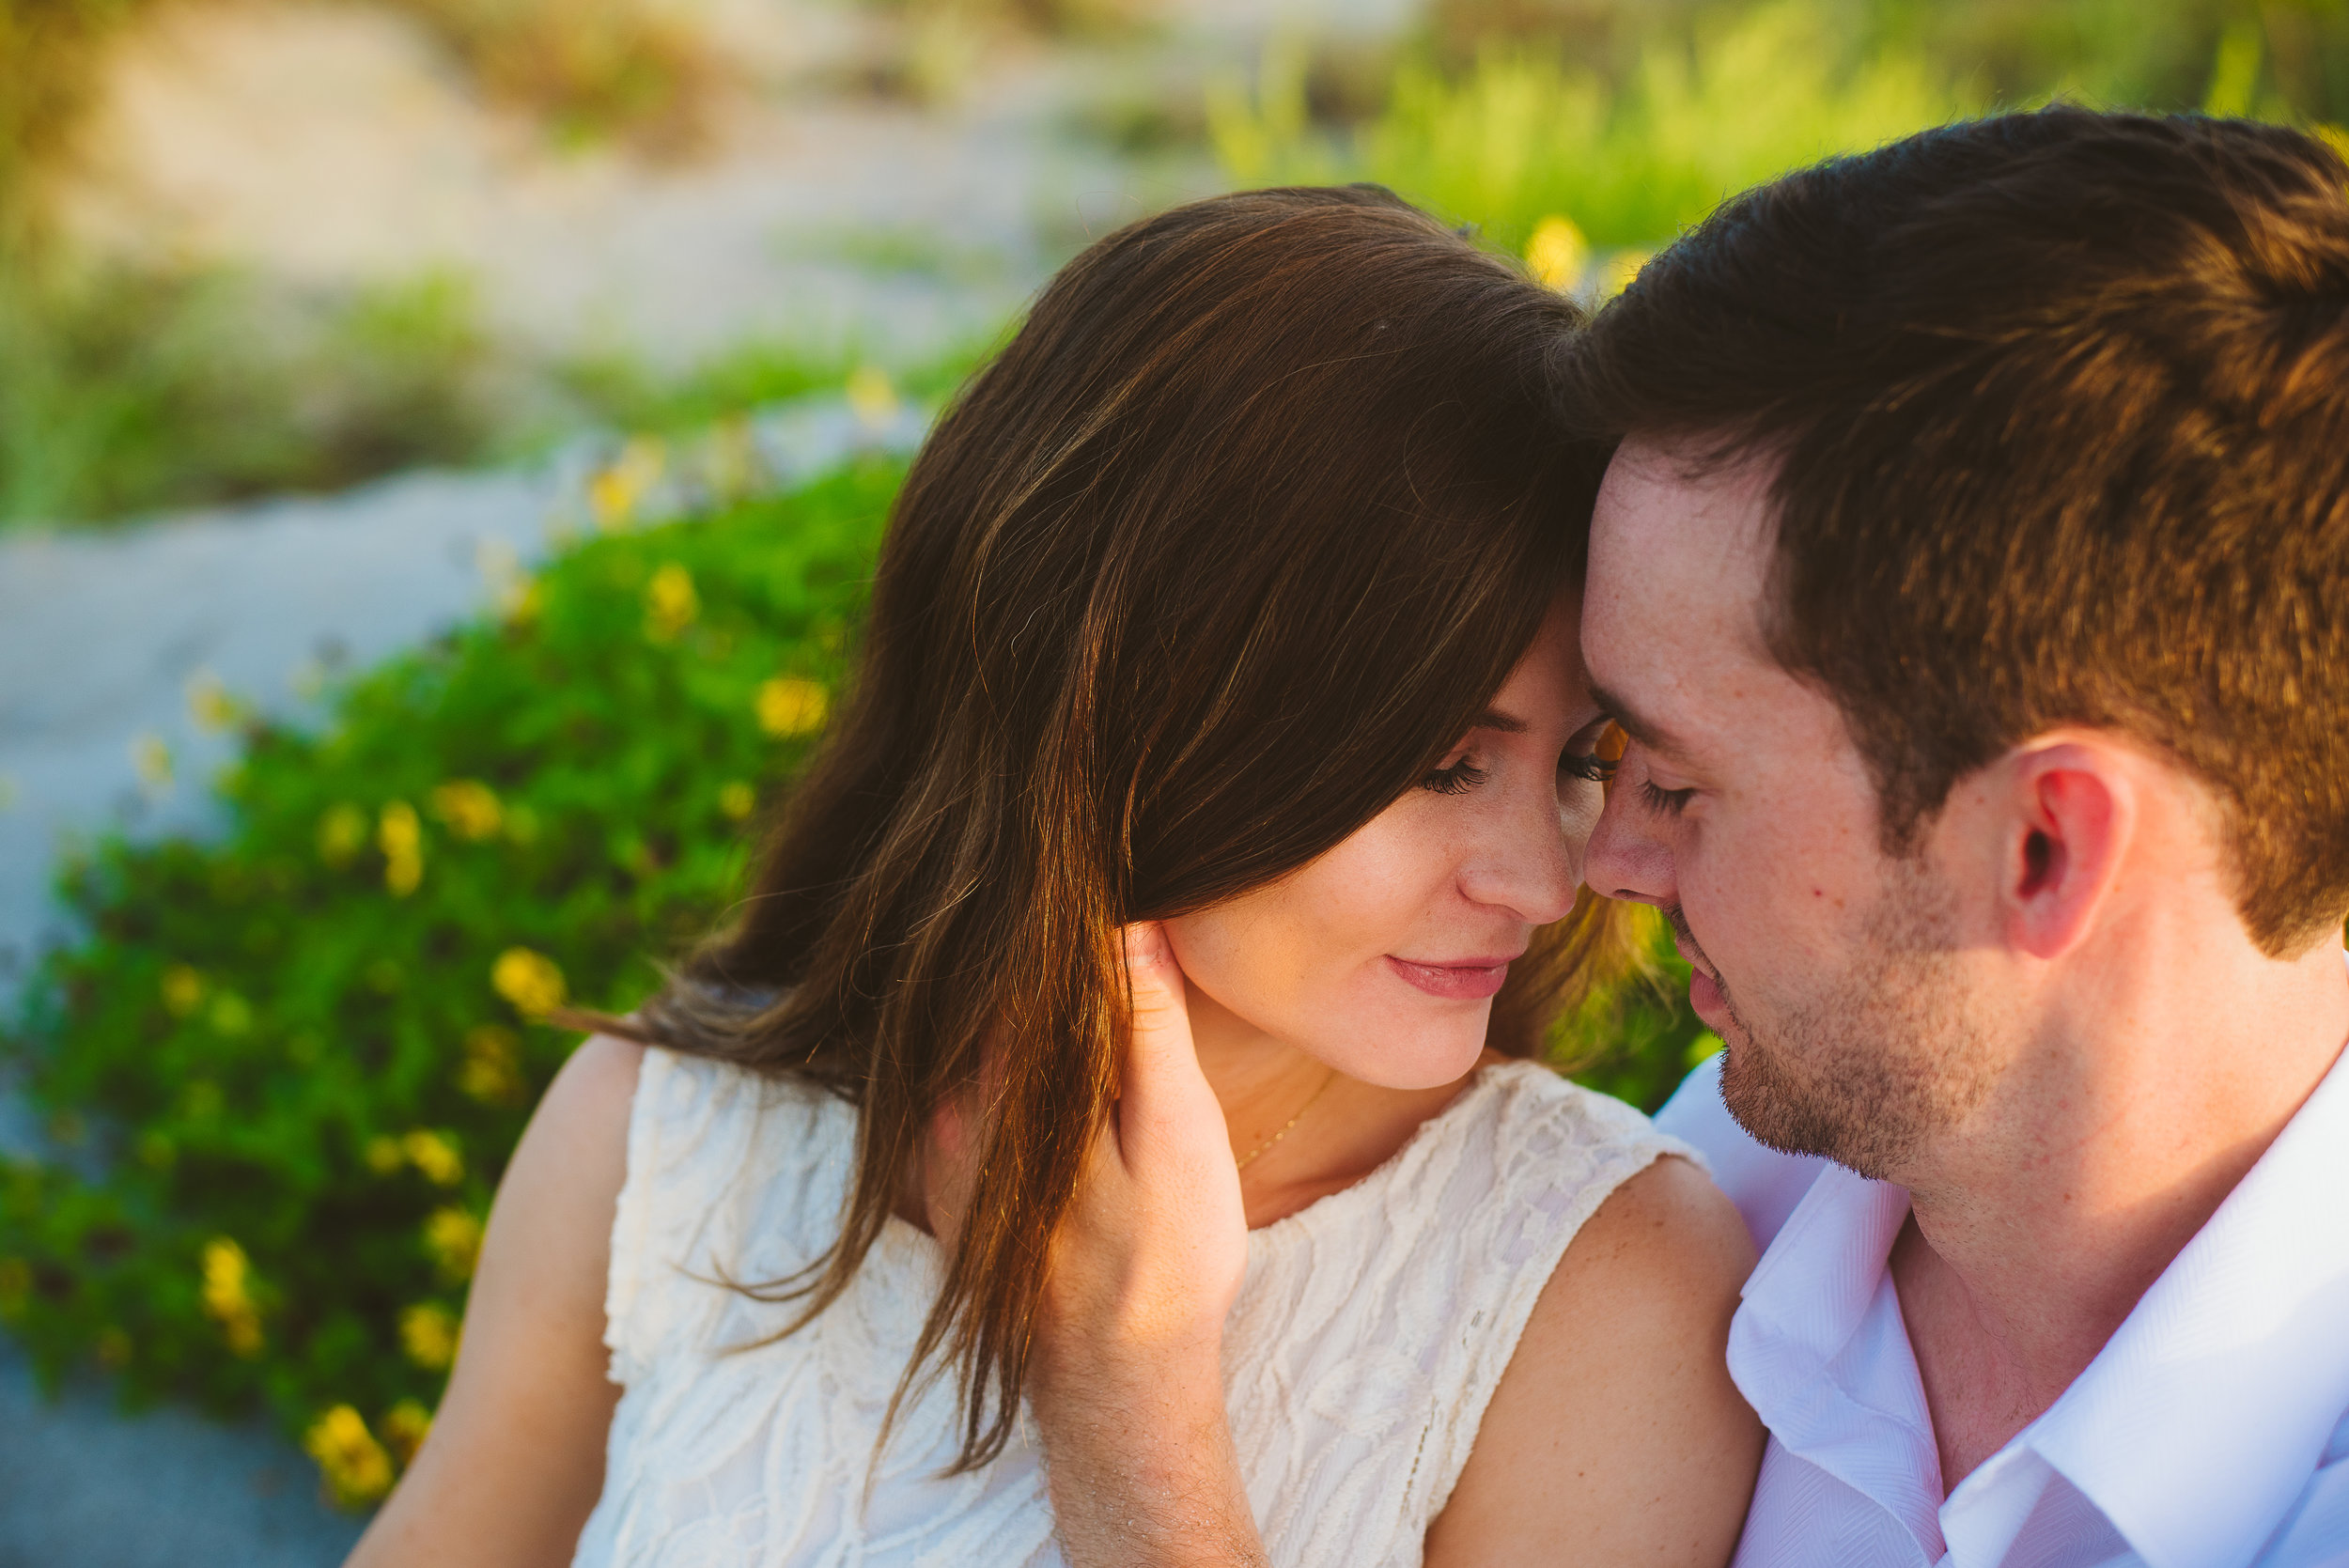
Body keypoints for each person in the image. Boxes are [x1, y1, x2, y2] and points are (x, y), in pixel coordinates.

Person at [342, 185, 1761, 1568]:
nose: (1544, 883)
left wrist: (1133, 1418)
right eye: (1444, 764)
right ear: (1136, 701)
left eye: (1581, 757)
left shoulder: (1598, 1287)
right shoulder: (670, 1132)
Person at [1026, 109, 2349, 1567]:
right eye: (1615, 757)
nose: (1593, 870)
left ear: (2042, 848)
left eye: (1678, 785)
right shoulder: (1714, 1190)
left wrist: (1142, 1444)